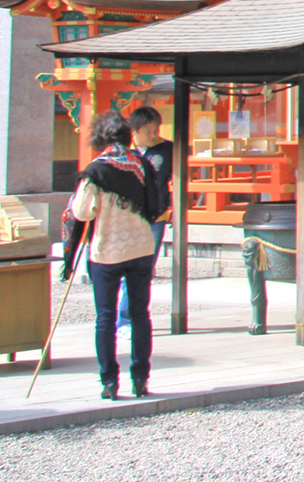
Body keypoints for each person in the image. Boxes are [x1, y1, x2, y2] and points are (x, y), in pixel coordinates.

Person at [62, 111, 164, 399]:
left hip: (107, 249)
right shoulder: (142, 164)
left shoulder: (97, 170)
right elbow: (154, 202)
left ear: (100, 138)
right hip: (142, 246)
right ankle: (140, 378)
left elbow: (81, 211)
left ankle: (109, 381)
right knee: (140, 314)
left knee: (105, 317)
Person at [117, 106, 174, 331]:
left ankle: (135, 318)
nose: (153, 134)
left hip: (155, 217)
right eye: (148, 130)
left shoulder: (167, 149)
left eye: (156, 129)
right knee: (125, 269)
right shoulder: (122, 153)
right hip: (127, 219)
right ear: (135, 131)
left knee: (144, 269)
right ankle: (124, 319)